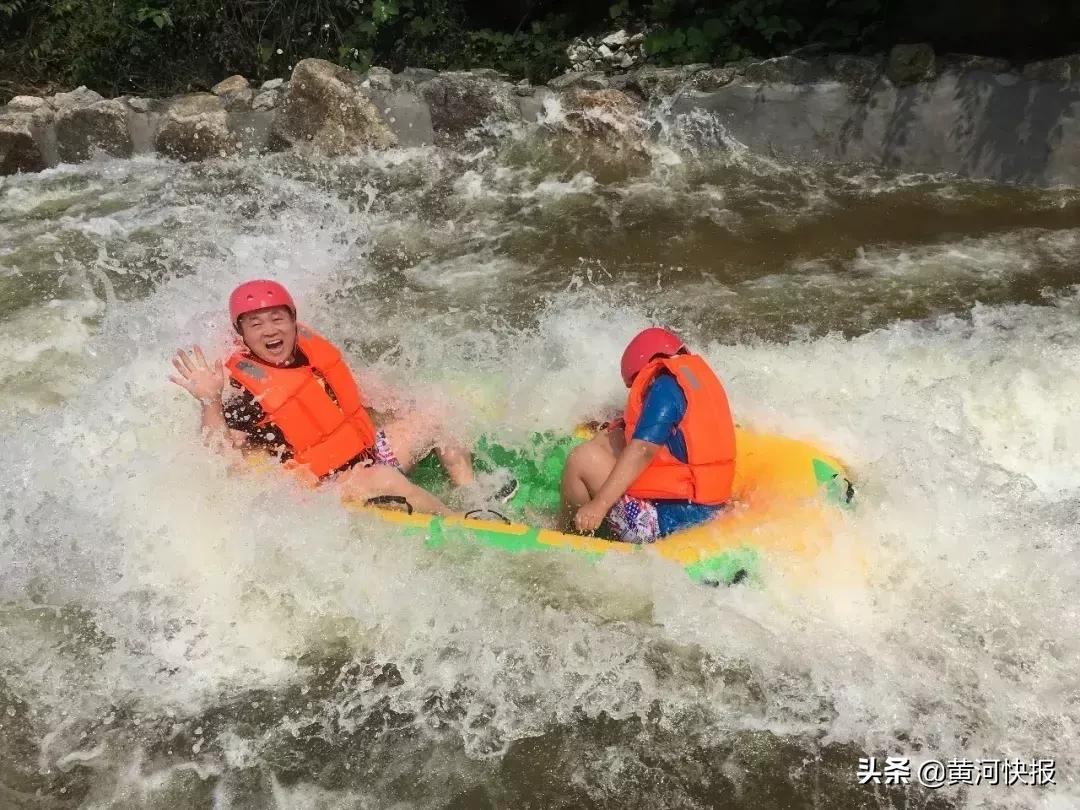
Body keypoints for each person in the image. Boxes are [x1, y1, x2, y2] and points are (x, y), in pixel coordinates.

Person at [169, 279, 476, 515]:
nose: (269, 330)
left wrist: (410, 414)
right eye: (255, 324)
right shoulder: (248, 393)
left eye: (277, 319)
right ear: (242, 335)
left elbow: (365, 398)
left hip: (371, 456)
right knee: (386, 479)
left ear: (292, 321)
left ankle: (475, 497)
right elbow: (218, 458)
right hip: (324, 489)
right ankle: (458, 522)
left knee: (436, 410)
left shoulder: (311, 355)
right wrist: (210, 400)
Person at [560, 327, 736, 542]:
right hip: (709, 510)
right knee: (610, 440)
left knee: (581, 459)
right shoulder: (693, 379)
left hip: (666, 523)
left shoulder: (663, 388)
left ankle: (570, 533)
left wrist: (599, 505)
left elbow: (643, 450)